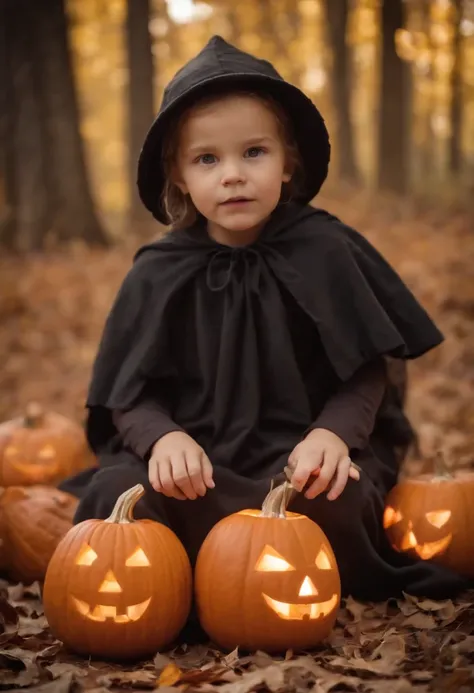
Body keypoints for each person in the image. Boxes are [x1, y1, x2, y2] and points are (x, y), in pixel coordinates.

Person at [60, 36, 468, 604]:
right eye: (207, 159)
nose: (232, 175)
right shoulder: (158, 271)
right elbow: (127, 392)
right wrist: (163, 440)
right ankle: (183, 585)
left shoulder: (324, 247)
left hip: (297, 459)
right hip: (194, 469)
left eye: (253, 152)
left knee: (338, 499)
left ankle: (255, 587)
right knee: (118, 496)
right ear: (178, 175)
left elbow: (367, 368)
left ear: (287, 161)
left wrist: (332, 436)